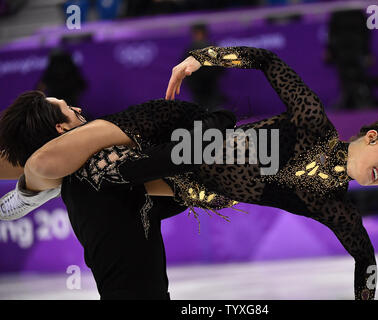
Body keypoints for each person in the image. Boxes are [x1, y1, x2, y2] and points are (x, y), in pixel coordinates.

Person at [1, 47, 378, 300]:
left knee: (102, 175)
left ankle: (41, 185)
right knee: (99, 165)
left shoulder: (332, 205)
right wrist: (204, 57)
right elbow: (271, 63)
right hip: (186, 142)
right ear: (371, 138)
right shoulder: (313, 123)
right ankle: (38, 184)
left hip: (184, 188)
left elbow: (365, 260)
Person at [0, 91, 236, 299]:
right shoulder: (96, 173)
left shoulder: (91, 181)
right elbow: (178, 160)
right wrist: (222, 118)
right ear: (61, 128)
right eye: (69, 108)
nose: (78, 108)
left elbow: (176, 196)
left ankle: (30, 192)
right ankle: (29, 193)